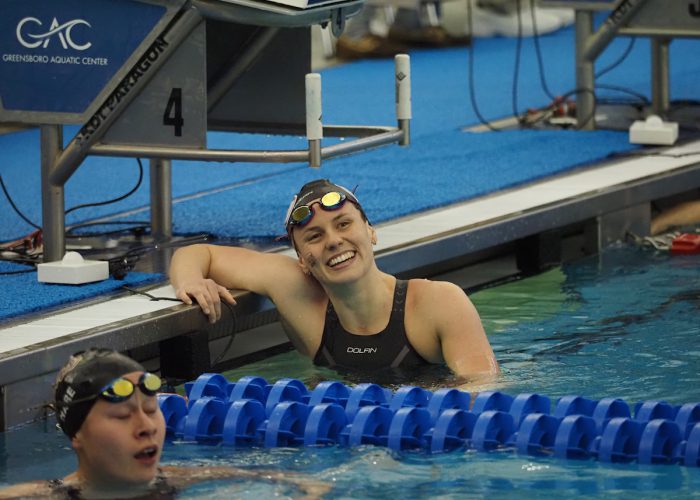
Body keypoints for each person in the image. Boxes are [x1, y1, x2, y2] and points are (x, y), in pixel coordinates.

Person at [169, 179, 500, 379]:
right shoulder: (299, 295)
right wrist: (190, 280)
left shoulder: (437, 303)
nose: (332, 241)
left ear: (370, 231)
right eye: (314, 236)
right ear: (301, 260)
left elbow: (481, 389)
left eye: (344, 224)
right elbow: (200, 254)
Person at [0, 349, 329, 499]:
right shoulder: (41, 496)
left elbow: (286, 478)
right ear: (77, 434)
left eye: (150, 410)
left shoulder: (171, 480)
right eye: (122, 416)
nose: (147, 427)